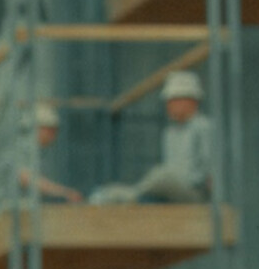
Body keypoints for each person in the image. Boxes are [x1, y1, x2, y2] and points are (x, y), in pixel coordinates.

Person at [89, 70, 212, 205]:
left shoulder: (203, 127)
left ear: (191, 101)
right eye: (168, 101)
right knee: (156, 184)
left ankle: (123, 195)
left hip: (196, 193)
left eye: (174, 101)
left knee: (161, 176)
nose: (169, 106)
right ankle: (112, 194)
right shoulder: (170, 132)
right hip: (173, 191)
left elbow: (209, 168)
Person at [0, 103, 83, 216]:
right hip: (10, 213)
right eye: (51, 130)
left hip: (24, 212)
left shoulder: (38, 152)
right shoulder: (20, 148)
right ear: (38, 128)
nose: (54, 135)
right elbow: (26, 178)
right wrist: (64, 192)